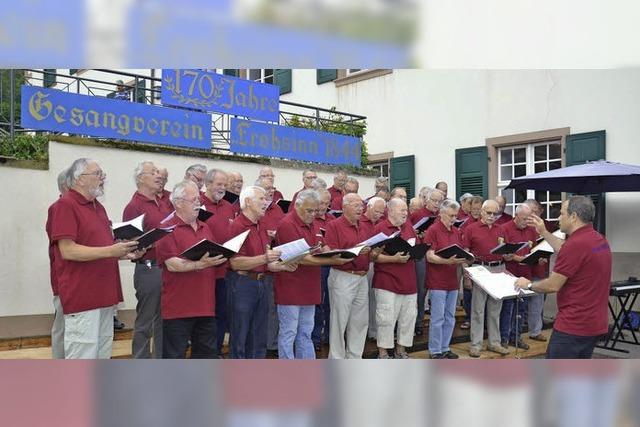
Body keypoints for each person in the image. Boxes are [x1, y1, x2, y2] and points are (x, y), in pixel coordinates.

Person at [51, 158, 142, 359]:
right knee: (82, 355)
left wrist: (124, 253)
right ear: (80, 179)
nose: (103, 179)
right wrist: (112, 251)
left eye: (103, 175)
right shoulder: (65, 205)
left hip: (105, 295)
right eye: (98, 174)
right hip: (83, 296)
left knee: (102, 352)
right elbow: (68, 251)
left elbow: (101, 249)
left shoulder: (97, 207)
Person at [515, 196, 612, 359]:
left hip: (573, 325)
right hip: (594, 323)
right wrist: (544, 232)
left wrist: (529, 284)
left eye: (562, 214)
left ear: (573, 216)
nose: (559, 217)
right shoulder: (598, 239)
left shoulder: (576, 245)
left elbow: (553, 285)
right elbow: (566, 247)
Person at [274, 190, 350, 359]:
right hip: (291, 288)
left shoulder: (313, 223)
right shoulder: (287, 224)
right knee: (289, 332)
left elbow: (320, 246)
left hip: (310, 286)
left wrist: (334, 252)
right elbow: (301, 258)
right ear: (297, 206)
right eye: (309, 211)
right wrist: (332, 261)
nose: (313, 214)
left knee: (306, 332)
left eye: (315, 211)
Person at [155, 180, 228, 358]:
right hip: (178, 308)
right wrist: (199, 265)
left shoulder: (205, 227)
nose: (199, 203)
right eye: (193, 200)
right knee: (174, 357)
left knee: (206, 357)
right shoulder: (166, 228)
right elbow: (172, 264)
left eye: (199, 200)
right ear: (178, 202)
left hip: (205, 306)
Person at [228, 186, 296, 358]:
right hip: (243, 285)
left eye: (266, 199)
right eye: (261, 199)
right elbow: (235, 263)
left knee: (259, 335)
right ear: (248, 202)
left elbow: (265, 263)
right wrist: (265, 259)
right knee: (241, 335)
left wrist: (283, 266)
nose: (266, 202)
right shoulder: (237, 226)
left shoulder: (262, 225)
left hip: (262, 282)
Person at [122, 161, 173, 358]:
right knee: (146, 321)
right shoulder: (134, 206)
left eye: (158, 173)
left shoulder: (163, 203)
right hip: (148, 269)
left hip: (166, 267)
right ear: (141, 178)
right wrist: (153, 241)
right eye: (153, 173)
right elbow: (128, 241)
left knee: (164, 320)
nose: (158, 176)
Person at [324, 193, 373, 358]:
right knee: (339, 321)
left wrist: (376, 249)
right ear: (344, 207)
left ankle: (354, 358)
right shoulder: (334, 225)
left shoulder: (366, 226)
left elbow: (371, 254)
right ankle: (337, 359)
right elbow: (332, 253)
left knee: (359, 321)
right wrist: (357, 250)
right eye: (356, 205)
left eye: (361, 205)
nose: (361, 209)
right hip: (343, 275)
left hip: (362, 276)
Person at [463, 199, 510, 358]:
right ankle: (476, 344)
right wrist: (467, 275)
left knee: (495, 309)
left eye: (495, 213)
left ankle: (494, 343)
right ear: (482, 212)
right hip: (480, 268)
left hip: (498, 268)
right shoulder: (471, 229)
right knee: (477, 309)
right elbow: (465, 253)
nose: (492, 216)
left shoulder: (501, 229)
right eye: (488, 213)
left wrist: (509, 254)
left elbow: (504, 251)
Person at [372, 198, 417, 359]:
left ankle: (401, 350)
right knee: (386, 318)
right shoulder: (380, 229)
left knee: (408, 318)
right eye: (402, 210)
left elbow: (415, 246)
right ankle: (383, 353)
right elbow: (373, 257)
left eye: (406, 210)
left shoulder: (409, 227)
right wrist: (394, 259)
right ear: (390, 211)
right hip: (387, 281)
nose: (406, 213)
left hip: (409, 281)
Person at [424, 199, 467, 359]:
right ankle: (435, 350)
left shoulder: (456, 231)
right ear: (441, 213)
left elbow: (459, 252)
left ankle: (445, 347)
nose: (454, 219)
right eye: (451, 215)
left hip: (452, 281)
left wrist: (465, 259)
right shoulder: (433, 230)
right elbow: (429, 256)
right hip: (437, 281)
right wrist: (447, 261)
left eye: (456, 216)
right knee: (437, 317)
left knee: (450, 317)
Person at [200, 168, 236, 355]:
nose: (222, 188)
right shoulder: (197, 205)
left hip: (224, 271)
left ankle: (216, 352)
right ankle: (204, 354)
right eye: (219, 184)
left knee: (221, 314)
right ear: (207, 184)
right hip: (202, 271)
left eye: (225, 184)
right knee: (205, 316)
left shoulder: (228, 206)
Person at [499, 203, 539, 351]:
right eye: (524, 219)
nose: (526, 222)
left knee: (521, 309)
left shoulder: (532, 230)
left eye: (529, 219)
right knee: (508, 308)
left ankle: (517, 337)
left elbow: (534, 249)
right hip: (510, 274)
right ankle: (504, 337)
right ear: (516, 216)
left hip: (526, 274)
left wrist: (538, 257)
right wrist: (516, 257)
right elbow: (503, 253)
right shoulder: (505, 228)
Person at [255, 177, 286, 354]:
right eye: (267, 188)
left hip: (276, 263)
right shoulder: (254, 211)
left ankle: (271, 344)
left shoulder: (278, 209)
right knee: (262, 310)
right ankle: (262, 345)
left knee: (273, 307)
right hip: (259, 266)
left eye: (273, 187)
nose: (271, 191)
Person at [410, 188, 444, 336]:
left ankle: (435, 322)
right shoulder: (417, 214)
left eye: (439, 201)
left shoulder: (441, 216)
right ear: (426, 200)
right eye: (434, 201)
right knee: (421, 291)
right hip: (422, 255)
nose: (437, 204)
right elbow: (408, 233)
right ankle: (418, 322)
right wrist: (418, 234)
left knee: (437, 290)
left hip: (437, 254)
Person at [45, 168, 71, 359]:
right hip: (65, 278)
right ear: (67, 185)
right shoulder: (59, 208)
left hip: (78, 278)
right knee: (62, 327)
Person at [523, 198, 553, 342]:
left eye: (536, 211)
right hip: (521, 271)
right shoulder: (521, 225)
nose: (534, 214)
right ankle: (516, 333)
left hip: (539, 269)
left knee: (537, 303)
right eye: (531, 211)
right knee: (520, 305)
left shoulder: (544, 226)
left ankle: (535, 331)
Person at [311, 189, 337, 350]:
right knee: (317, 303)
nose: (324, 206)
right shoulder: (310, 219)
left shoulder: (332, 219)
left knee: (331, 304)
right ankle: (315, 339)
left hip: (332, 265)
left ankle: (328, 336)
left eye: (327, 203)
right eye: (321, 202)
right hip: (316, 266)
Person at [359, 197, 387, 340]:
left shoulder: (381, 224)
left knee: (375, 299)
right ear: (368, 207)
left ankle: (374, 331)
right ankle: (364, 332)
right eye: (376, 211)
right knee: (364, 300)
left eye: (381, 213)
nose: (379, 215)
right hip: (365, 263)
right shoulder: (360, 222)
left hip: (378, 261)